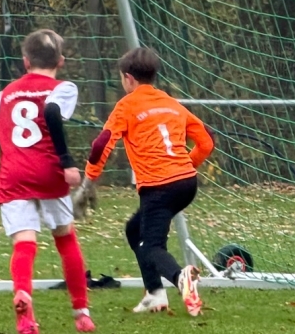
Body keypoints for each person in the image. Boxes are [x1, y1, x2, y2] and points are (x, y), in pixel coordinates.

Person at [0, 29, 93, 334]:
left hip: (13, 173)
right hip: (49, 170)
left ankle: (24, 308)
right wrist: (67, 161)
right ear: (61, 61)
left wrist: (14, 147)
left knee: (24, 242)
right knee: (65, 237)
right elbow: (51, 111)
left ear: (26, 61)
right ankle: (81, 313)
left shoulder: (7, 92)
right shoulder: (63, 88)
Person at [81, 47, 214, 316]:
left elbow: (101, 144)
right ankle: (154, 293)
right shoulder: (171, 103)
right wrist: (186, 166)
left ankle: (180, 279)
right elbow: (206, 142)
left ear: (128, 78)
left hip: (159, 186)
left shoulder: (127, 105)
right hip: (186, 184)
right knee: (135, 230)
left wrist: (89, 180)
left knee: (153, 245)